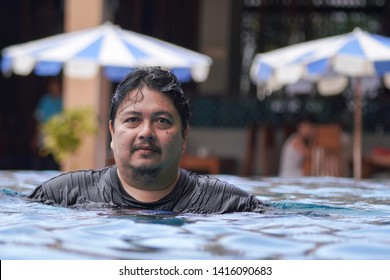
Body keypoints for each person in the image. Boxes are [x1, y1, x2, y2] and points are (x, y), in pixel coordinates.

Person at [28, 67, 266, 214]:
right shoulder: (61, 196)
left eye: (162, 121)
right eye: (132, 119)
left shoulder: (229, 205)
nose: (146, 132)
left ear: (184, 136)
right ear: (112, 133)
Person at [32, 78, 63, 170]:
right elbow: (39, 118)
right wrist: (36, 136)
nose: (54, 89)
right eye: (52, 87)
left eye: (56, 87)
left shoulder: (63, 100)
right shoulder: (45, 100)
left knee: (55, 159)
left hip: (59, 134)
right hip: (44, 132)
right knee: (42, 157)